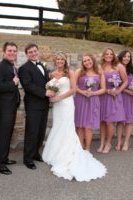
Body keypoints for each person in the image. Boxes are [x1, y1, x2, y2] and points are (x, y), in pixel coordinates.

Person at [42, 52, 106, 181]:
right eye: (58, 59)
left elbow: (73, 89)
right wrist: (51, 94)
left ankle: (78, 150)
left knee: (69, 127)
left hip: (67, 103)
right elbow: (51, 88)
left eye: (62, 59)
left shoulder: (70, 72)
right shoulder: (52, 74)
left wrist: (60, 97)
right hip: (57, 106)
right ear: (55, 61)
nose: (60, 61)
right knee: (58, 126)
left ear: (65, 61)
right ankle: (58, 152)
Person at [18, 43, 54, 170]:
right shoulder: (24, 68)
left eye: (35, 51)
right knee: (32, 131)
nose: (33, 53)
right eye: (30, 52)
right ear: (27, 54)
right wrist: (45, 92)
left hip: (44, 104)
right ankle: (27, 158)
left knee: (40, 131)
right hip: (33, 104)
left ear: (38, 51)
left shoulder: (43, 65)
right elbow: (28, 86)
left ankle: (35, 153)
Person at [0, 42, 20, 175]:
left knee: (7, 134)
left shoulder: (11, 66)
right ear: (4, 51)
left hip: (11, 106)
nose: (12, 53)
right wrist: (13, 83)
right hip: (4, 107)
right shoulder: (0, 67)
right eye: (9, 50)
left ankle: (4, 158)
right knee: (2, 135)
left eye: (14, 51)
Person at [98, 48, 128, 154]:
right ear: (103, 55)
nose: (109, 55)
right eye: (107, 54)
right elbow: (98, 83)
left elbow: (125, 82)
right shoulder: (100, 67)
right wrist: (106, 90)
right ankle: (102, 142)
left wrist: (118, 90)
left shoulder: (118, 66)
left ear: (113, 55)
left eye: (111, 54)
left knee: (109, 122)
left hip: (114, 97)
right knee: (102, 121)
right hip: (103, 96)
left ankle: (108, 143)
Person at [74, 53, 106, 152]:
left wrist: (93, 93)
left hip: (93, 101)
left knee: (88, 126)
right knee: (79, 126)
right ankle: (80, 147)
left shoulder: (99, 72)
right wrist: (82, 92)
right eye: (85, 61)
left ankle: (87, 148)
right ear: (82, 63)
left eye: (89, 60)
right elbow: (74, 86)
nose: (87, 62)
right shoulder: (79, 72)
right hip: (80, 100)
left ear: (93, 60)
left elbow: (103, 89)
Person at [116, 50, 133, 151]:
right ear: (121, 57)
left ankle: (126, 142)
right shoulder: (117, 68)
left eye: (128, 57)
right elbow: (117, 84)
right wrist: (127, 91)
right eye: (124, 56)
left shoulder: (132, 69)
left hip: (131, 98)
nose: (126, 58)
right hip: (121, 96)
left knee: (129, 121)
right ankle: (118, 142)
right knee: (120, 121)